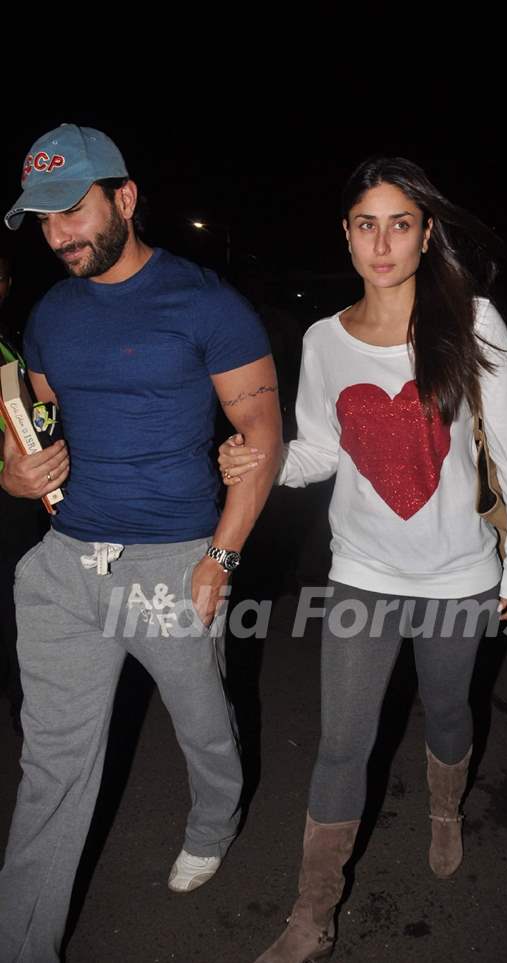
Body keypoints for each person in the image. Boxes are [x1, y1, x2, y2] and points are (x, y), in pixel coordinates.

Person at [219, 156, 507, 963]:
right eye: (366, 224)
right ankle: (311, 912)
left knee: (445, 711)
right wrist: (255, 460)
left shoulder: (469, 320)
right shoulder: (326, 339)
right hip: (362, 571)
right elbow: (323, 449)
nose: (382, 242)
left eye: (400, 223)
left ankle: (445, 806)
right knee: (341, 742)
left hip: (459, 578)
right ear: (346, 234)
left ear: (426, 232)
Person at [0, 124, 282, 963]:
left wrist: (221, 555)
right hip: (63, 567)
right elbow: (36, 417)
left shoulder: (206, 303)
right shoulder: (50, 313)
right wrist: (16, 473)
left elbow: (260, 428)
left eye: (72, 211)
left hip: (174, 558)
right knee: (49, 772)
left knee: (204, 724)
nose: (58, 235)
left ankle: (215, 815)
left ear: (124, 198)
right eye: (42, 220)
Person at [0, 254, 48, 734]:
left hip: (17, 499)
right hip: (8, 487)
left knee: (19, 608)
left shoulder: (8, 339)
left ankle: (26, 709)